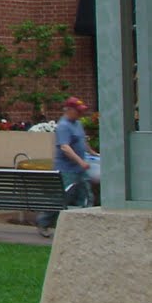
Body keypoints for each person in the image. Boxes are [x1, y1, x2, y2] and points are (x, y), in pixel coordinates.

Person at [37, 96, 94, 237]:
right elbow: (65, 147)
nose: (80, 114)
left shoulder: (77, 123)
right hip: (67, 170)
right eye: (77, 111)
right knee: (62, 198)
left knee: (87, 196)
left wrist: (92, 152)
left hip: (80, 170)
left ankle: (85, 227)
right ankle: (43, 222)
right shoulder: (63, 126)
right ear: (68, 110)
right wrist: (81, 161)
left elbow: (82, 140)